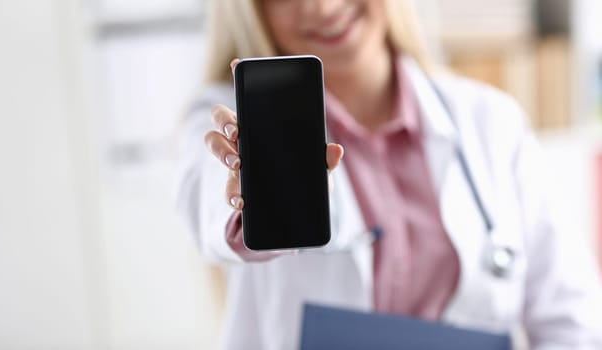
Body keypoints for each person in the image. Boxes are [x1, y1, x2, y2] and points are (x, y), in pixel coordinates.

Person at [176, 0, 602, 349]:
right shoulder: (227, 118)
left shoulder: (491, 121)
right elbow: (208, 198)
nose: (321, 7)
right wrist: (244, 204)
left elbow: (572, 321)